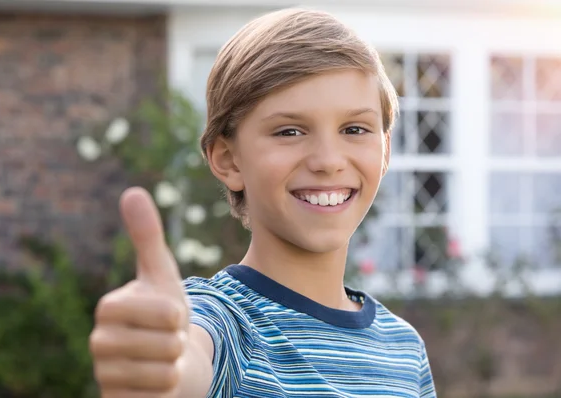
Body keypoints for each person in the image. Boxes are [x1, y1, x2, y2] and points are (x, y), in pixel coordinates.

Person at [89, 7, 437, 398]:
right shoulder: (223, 324)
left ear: (385, 151)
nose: (328, 161)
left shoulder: (405, 350)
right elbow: (186, 361)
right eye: (289, 131)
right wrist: (160, 370)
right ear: (228, 159)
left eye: (354, 129)